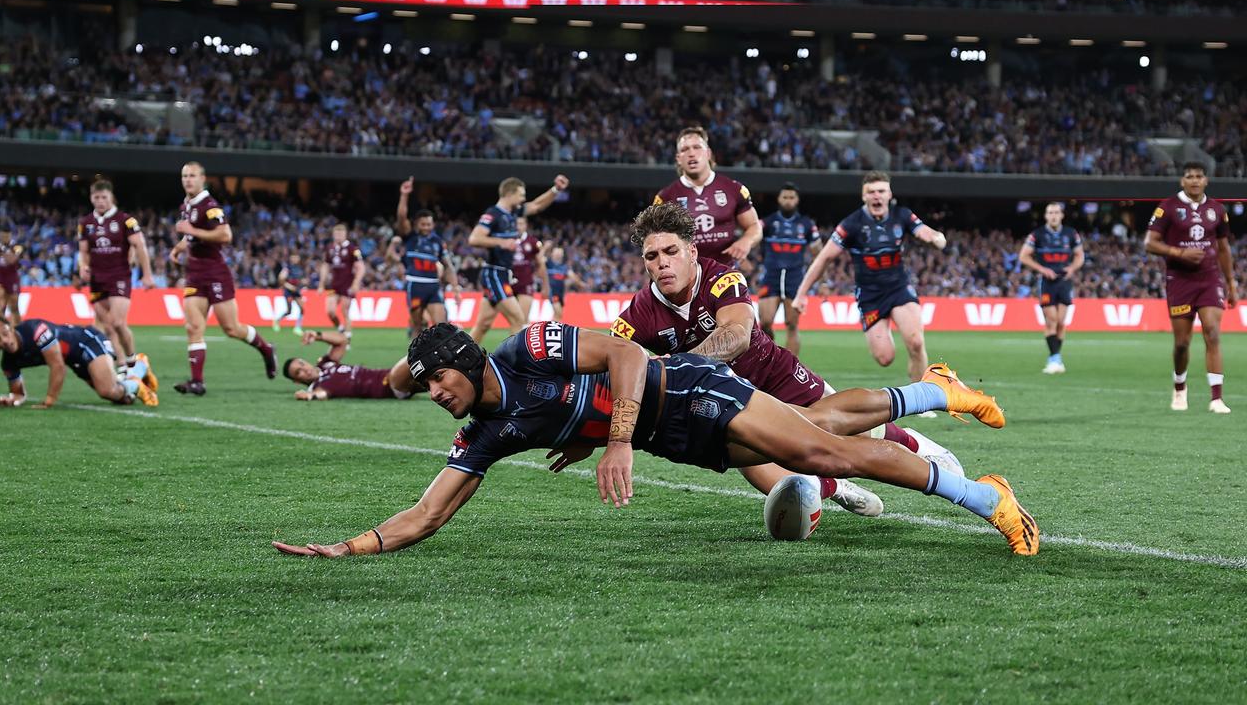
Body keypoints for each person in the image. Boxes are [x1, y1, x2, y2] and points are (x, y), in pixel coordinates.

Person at [272, 323, 1038, 559]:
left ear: (470, 367)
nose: (434, 394)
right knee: (831, 423)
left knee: (822, 452)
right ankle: (940, 390)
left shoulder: (527, 348)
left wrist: (616, 439)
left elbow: (626, 355)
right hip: (687, 442)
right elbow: (427, 514)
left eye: (439, 381)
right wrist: (345, 548)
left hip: (694, 391)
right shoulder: (488, 431)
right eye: (426, 384)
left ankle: (985, 498)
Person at [611, 201, 997, 514]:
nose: (661, 262)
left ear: (691, 251)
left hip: (772, 374)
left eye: (670, 251)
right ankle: (832, 487)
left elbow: (737, 335)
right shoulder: (640, 312)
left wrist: (680, 368)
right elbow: (610, 357)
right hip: (728, 399)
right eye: (651, 256)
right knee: (763, 470)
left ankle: (916, 445)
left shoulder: (722, 278)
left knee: (847, 426)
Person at [793, 170, 947, 384]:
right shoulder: (851, 224)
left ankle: (921, 398)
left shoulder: (902, 215)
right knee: (885, 358)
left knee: (916, 342)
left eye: (881, 191)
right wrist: (802, 294)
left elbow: (924, 232)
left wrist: (936, 238)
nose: (877, 196)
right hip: (870, 296)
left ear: (889, 194)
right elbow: (823, 259)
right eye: (871, 192)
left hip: (899, 288)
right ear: (863, 196)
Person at [168, 161, 278, 395]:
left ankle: (267, 349)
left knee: (231, 328)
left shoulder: (210, 206)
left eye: (192, 176)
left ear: (202, 178)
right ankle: (197, 382)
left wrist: (191, 231)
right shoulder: (187, 205)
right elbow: (191, 237)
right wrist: (179, 248)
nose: (188, 179)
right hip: (194, 274)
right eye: (184, 176)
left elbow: (225, 235)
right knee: (193, 327)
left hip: (215, 273)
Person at [1145, 161, 1239, 414]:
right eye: (1190, 176)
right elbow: (1150, 243)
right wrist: (1179, 252)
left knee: (1213, 332)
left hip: (1209, 279)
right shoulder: (1168, 208)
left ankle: (1216, 398)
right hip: (1180, 280)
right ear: (1182, 181)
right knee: (1182, 343)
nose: (1195, 180)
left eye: (1199, 176)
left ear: (1206, 180)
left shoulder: (1217, 210)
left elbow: (1223, 248)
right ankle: (1179, 386)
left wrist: (1231, 282)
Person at [468, 174, 569, 344]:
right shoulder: (493, 214)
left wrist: (555, 190)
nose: (523, 198)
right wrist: (501, 242)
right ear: (509, 194)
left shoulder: (513, 213)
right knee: (518, 319)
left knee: (483, 325)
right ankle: (513, 365)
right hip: (495, 274)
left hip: (502, 275)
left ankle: (459, 359)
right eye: (521, 194)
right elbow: (474, 239)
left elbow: (536, 205)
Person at [0, 316, 158, 408]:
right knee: (121, 399)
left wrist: (49, 401)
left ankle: (139, 368)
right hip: (73, 359)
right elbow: (18, 394)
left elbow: (57, 366)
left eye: (5, 333)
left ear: (12, 328)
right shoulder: (8, 362)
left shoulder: (37, 330)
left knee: (106, 389)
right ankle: (137, 377)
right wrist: (12, 400)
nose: (4, 341)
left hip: (87, 341)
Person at [77, 178, 157, 376]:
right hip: (97, 279)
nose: (100, 201)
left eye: (104, 197)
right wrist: (83, 266)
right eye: (96, 197)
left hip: (119, 276)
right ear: (91, 198)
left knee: (118, 322)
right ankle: (122, 367)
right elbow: (84, 251)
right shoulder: (86, 223)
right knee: (107, 327)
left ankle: (132, 359)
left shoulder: (125, 220)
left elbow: (140, 246)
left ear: (111, 197)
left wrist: (147, 275)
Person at [653, 125, 761, 267]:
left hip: (724, 274)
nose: (691, 153)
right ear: (678, 158)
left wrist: (746, 241)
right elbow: (656, 239)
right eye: (685, 149)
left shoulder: (733, 189)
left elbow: (754, 225)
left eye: (697, 147)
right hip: (684, 277)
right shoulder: (665, 197)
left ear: (708, 153)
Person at [1019, 202, 1084, 374]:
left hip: (1064, 282)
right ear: (1046, 216)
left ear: (1062, 215)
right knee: (1052, 320)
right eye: (1050, 212)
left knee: (1062, 323)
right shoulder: (1037, 235)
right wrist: (1042, 269)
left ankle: (1055, 358)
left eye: (1056, 212)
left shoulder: (1071, 234)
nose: (1053, 215)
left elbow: (1080, 256)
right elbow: (1024, 256)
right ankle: (1055, 358)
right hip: (1047, 283)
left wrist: (1072, 268)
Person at [757, 182, 821, 355]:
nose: (788, 201)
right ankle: (770, 359)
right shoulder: (768, 222)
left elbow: (819, 254)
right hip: (771, 277)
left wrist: (820, 280)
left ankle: (790, 370)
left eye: (791, 197)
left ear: (797, 200)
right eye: (785, 197)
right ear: (779, 199)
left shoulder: (807, 224)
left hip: (795, 279)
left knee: (792, 325)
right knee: (765, 322)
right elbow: (752, 236)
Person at [394, 177, 458, 339]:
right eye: (423, 224)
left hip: (433, 286)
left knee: (441, 327)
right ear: (417, 224)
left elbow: (448, 265)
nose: (427, 227)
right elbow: (402, 217)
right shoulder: (410, 237)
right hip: (415, 284)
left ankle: (442, 361)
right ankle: (415, 360)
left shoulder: (437, 241)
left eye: (429, 224)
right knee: (417, 327)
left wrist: (455, 287)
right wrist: (404, 195)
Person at [282, 330, 418, 401]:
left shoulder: (325, 364)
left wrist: (317, 336)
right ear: (297, 381)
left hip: (391, 376)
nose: (305, 369)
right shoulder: (319, 386)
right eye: (298, 372)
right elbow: (321, 395)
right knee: (417, 355)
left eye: (302, 364)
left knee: (434, 377)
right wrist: (308, 396)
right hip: (389, 385)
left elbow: (342, 341)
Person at [318, 222, 366, 341]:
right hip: (334, 285)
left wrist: (356, 283)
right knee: (330, 311)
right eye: (336, 233)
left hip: (347, 285)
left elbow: (361, 267)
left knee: (345, 310)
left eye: (340, 233)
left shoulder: (352, 249)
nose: (338, 236)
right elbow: (325, 266)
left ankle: (347, 338)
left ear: (345, 234)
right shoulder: (330, 248)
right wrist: (321, 284)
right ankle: (340, 329)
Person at [510, 217, 548, 324]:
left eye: (521, 224)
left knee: (522, 320)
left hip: (525, 283)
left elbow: (541, 263)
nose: (518, 227)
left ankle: (521, 339)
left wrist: (545, 286)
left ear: (525, 225)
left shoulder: (532, 242)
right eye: (516, 224)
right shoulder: (507, 240)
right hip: (507, 283)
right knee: (513, 321)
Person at [0, 230, 23, 326]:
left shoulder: (16, 247)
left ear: (10, 235)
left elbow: (12, 260)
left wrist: (1, 249)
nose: (4, 237)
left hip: (12, 279)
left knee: (14, 307)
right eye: (2, 236)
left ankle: (18, 327)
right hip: (1, 279)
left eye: (6, 235)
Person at [544, 245, 584, 322]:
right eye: (556, 252)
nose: (558, 254)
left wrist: (580, 283)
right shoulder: (548, 263)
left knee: (559, 315)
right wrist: (545, 248)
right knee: (558, 312)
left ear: (562, 254)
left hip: (561, 293)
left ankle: (552, 330)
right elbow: (540, 261)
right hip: (552, 292)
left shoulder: (564, 267)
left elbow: (572, 275)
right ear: (552, 253)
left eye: (560, 252)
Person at [272, 253, 307, 335]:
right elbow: (281, 279)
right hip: (289, 291)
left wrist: (303, 282)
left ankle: (298, 327)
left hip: (296, 291)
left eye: (296, 257)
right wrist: (289, 286)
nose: (295, 259)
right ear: (291, 258)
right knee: (289, 311)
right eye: (293, 257)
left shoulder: (300, 268)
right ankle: (277, 321)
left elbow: (299, 279)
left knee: (302, 308)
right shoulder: (288, 268)